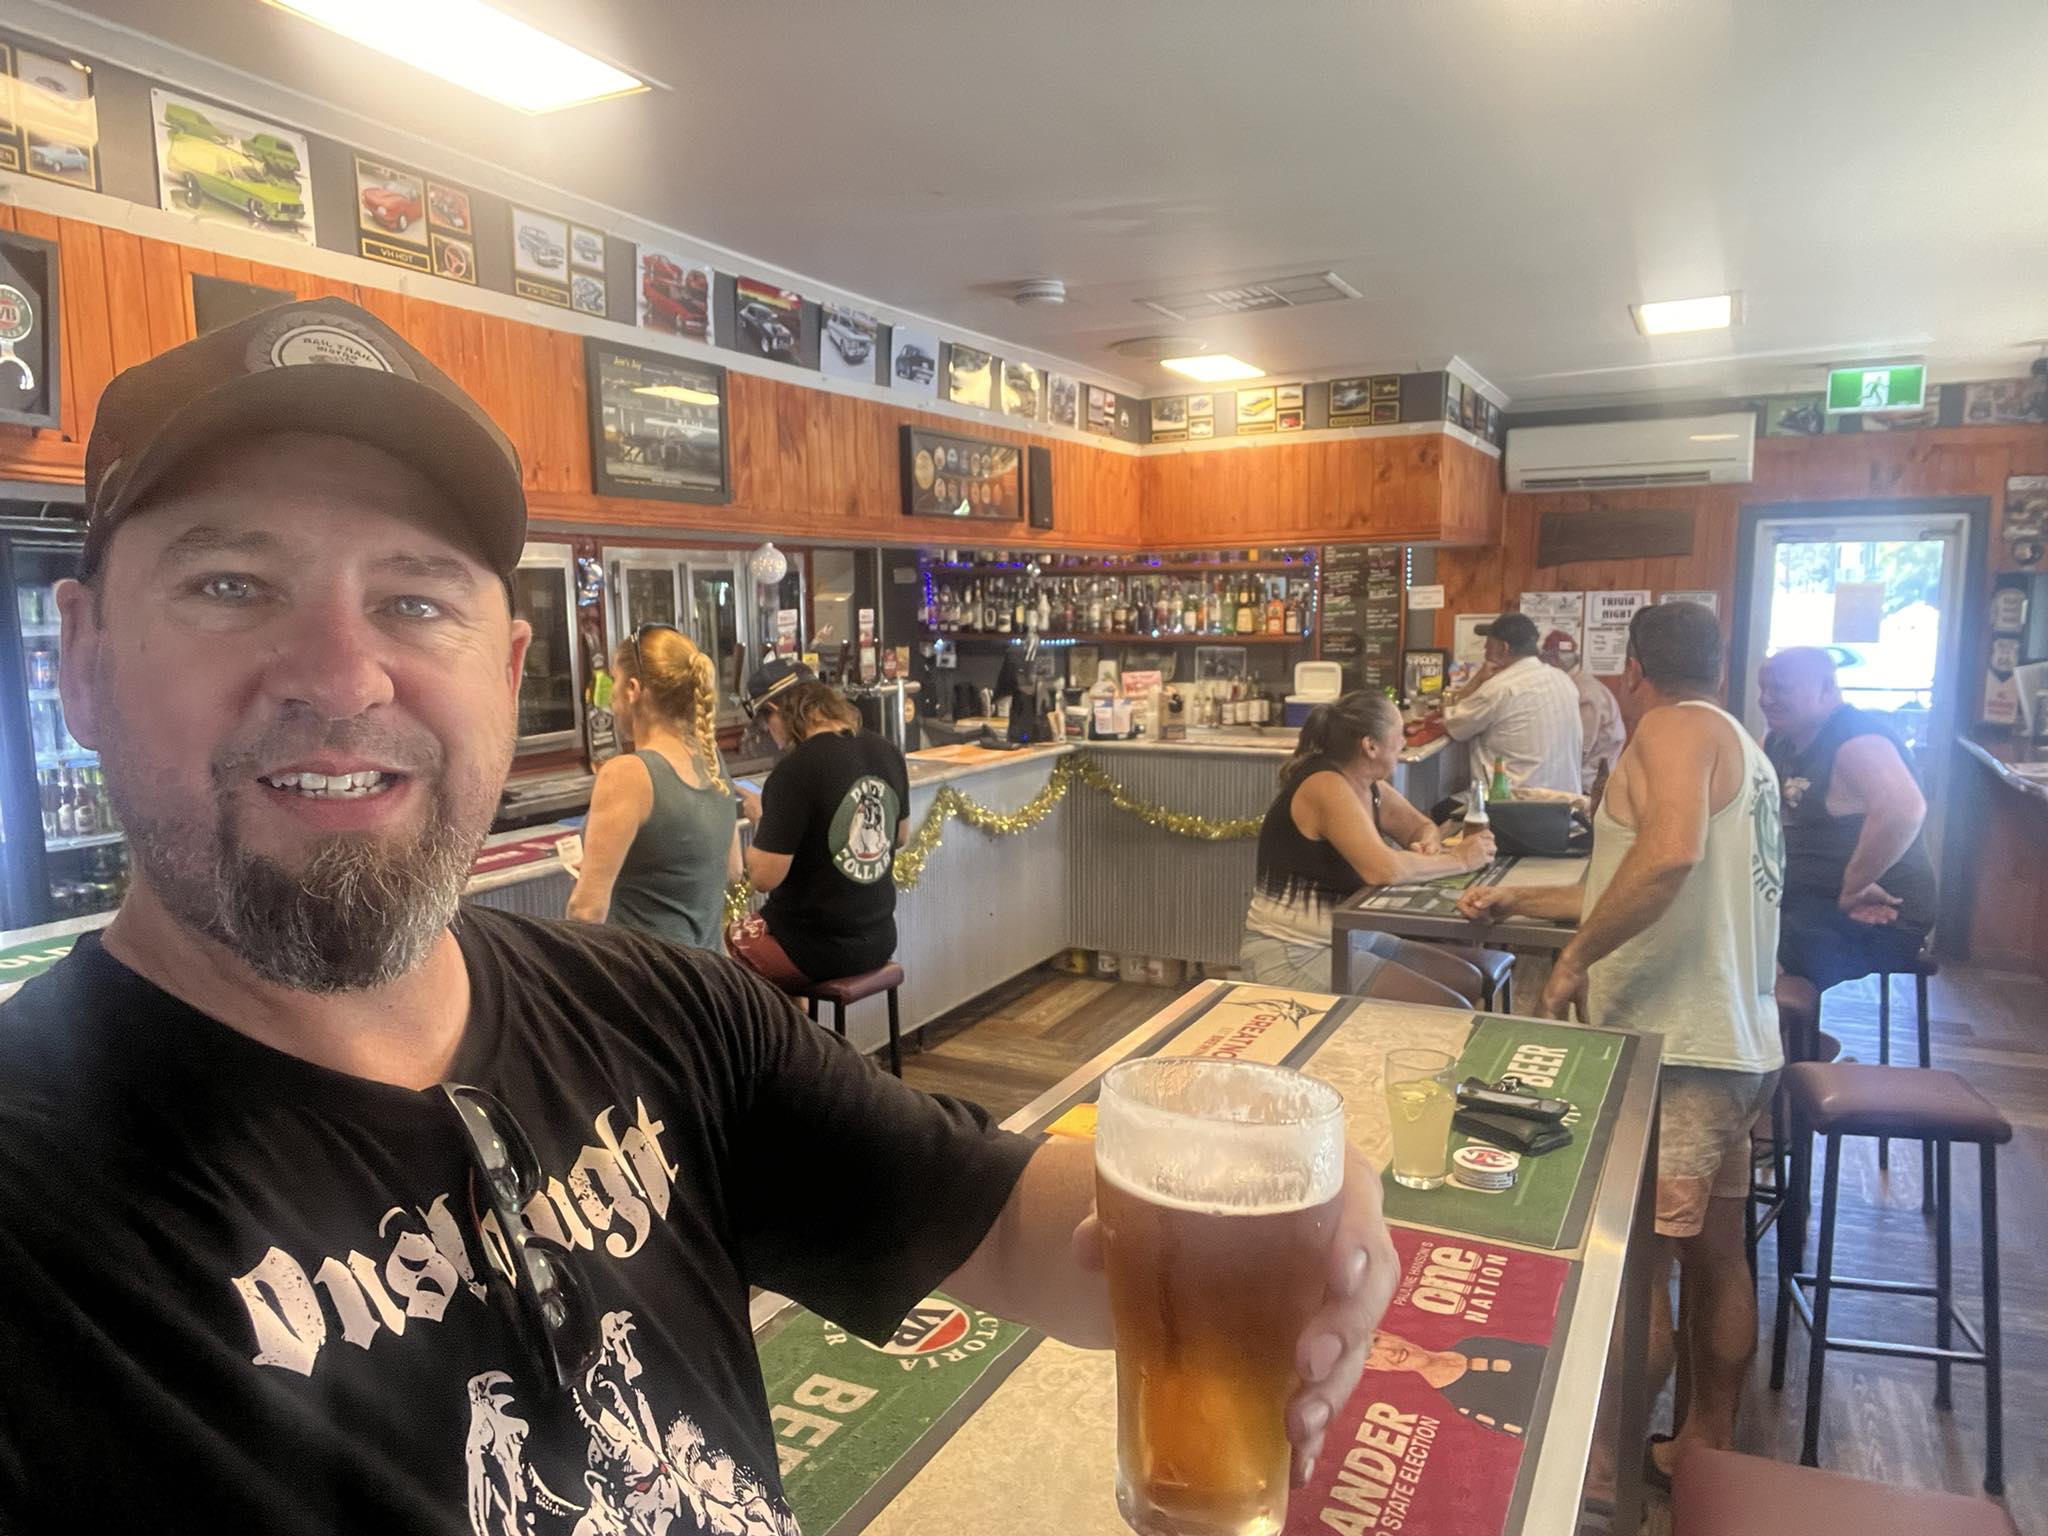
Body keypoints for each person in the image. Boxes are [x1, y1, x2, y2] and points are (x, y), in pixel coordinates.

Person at [0, 299, 1400, 1530]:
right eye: (230, 586)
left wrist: (1260, 1233)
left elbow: (1023, 1234)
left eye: (415, 598)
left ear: (511, 663)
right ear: (77, 658)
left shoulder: (658, 1015)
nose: (343, 676)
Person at [1454, 601, 1782, 1484]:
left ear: (1633, 668)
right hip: (1736, 1045)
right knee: (1716, 1253)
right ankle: (1699, 1446)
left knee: (1638, 1267)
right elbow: (1639, 880)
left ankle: (1603, 1472)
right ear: (1720, 664)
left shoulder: (1669, 731)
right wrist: (1522, 903)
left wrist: (1572, 961)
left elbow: (1667, 855)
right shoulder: (1741, 748)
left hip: (1675, 1048)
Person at [1242, 692, 1495, 989]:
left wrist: (1429, 842)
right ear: (1370, 746)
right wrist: (1461, 859)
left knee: (1467, 982)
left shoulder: (1368, 785)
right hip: (1293, 951)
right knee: (1448, 1007)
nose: (1404, 741)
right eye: (1399, 734)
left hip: (1350, 937)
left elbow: (1421, 826)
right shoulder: (1325, 785)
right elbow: (1383, 869)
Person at [1758, 646, 1936, 991]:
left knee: (1741, 947)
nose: (1767, 699)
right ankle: (1785, 1040)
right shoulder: (1778, 741)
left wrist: (1854, 886)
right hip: (1812, 904)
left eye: (1780, 688)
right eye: (1763, 688)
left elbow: (1903, 810)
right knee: (1722, 925)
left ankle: (1786, 1042)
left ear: (1826, 688)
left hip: (1877, 915)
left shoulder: (1857, 739)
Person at [730, 665, 911, 989]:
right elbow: (899, 836)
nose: (772, 736)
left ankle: (788, 1036)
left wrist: (763, 818)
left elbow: (763, 877)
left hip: (816, 949)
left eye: (767, 723)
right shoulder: (886, 751)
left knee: (732, 942)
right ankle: (801, 1034)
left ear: (776, 711)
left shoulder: (795, 770)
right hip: (880, 937)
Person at [565, 624, 739, 948]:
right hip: (712, 981)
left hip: (650, 986)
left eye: (614, 681)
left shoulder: (628, 774)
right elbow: (732, 870)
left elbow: (586, 912)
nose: (612, 698)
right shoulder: (711, 760)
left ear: (633, 689)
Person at [1441, 611, 1584, 794]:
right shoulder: (1564, 680)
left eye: (1487, 648)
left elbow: (1453, 725)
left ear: (1503, 648)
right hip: (1567, 808)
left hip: (1514, 809)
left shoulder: (1499, 688)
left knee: (1441, 811)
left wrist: (1476, 681)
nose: (1485, 654)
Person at [1363, 1330, 1546, 1440]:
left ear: (1390, 1334)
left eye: (1377, 1340)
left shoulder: (1472, 1343)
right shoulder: (1466, 1403)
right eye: (1370, 1356)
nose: (1390, 1351)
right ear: (1376, 1367)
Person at [1540, 628, 1626, 794]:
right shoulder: (1577, 685)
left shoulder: (1585, 693)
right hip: (1584, 780)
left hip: (1590, 785)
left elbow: (1579, 748)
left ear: (1555, 659)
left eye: (1546, 660)